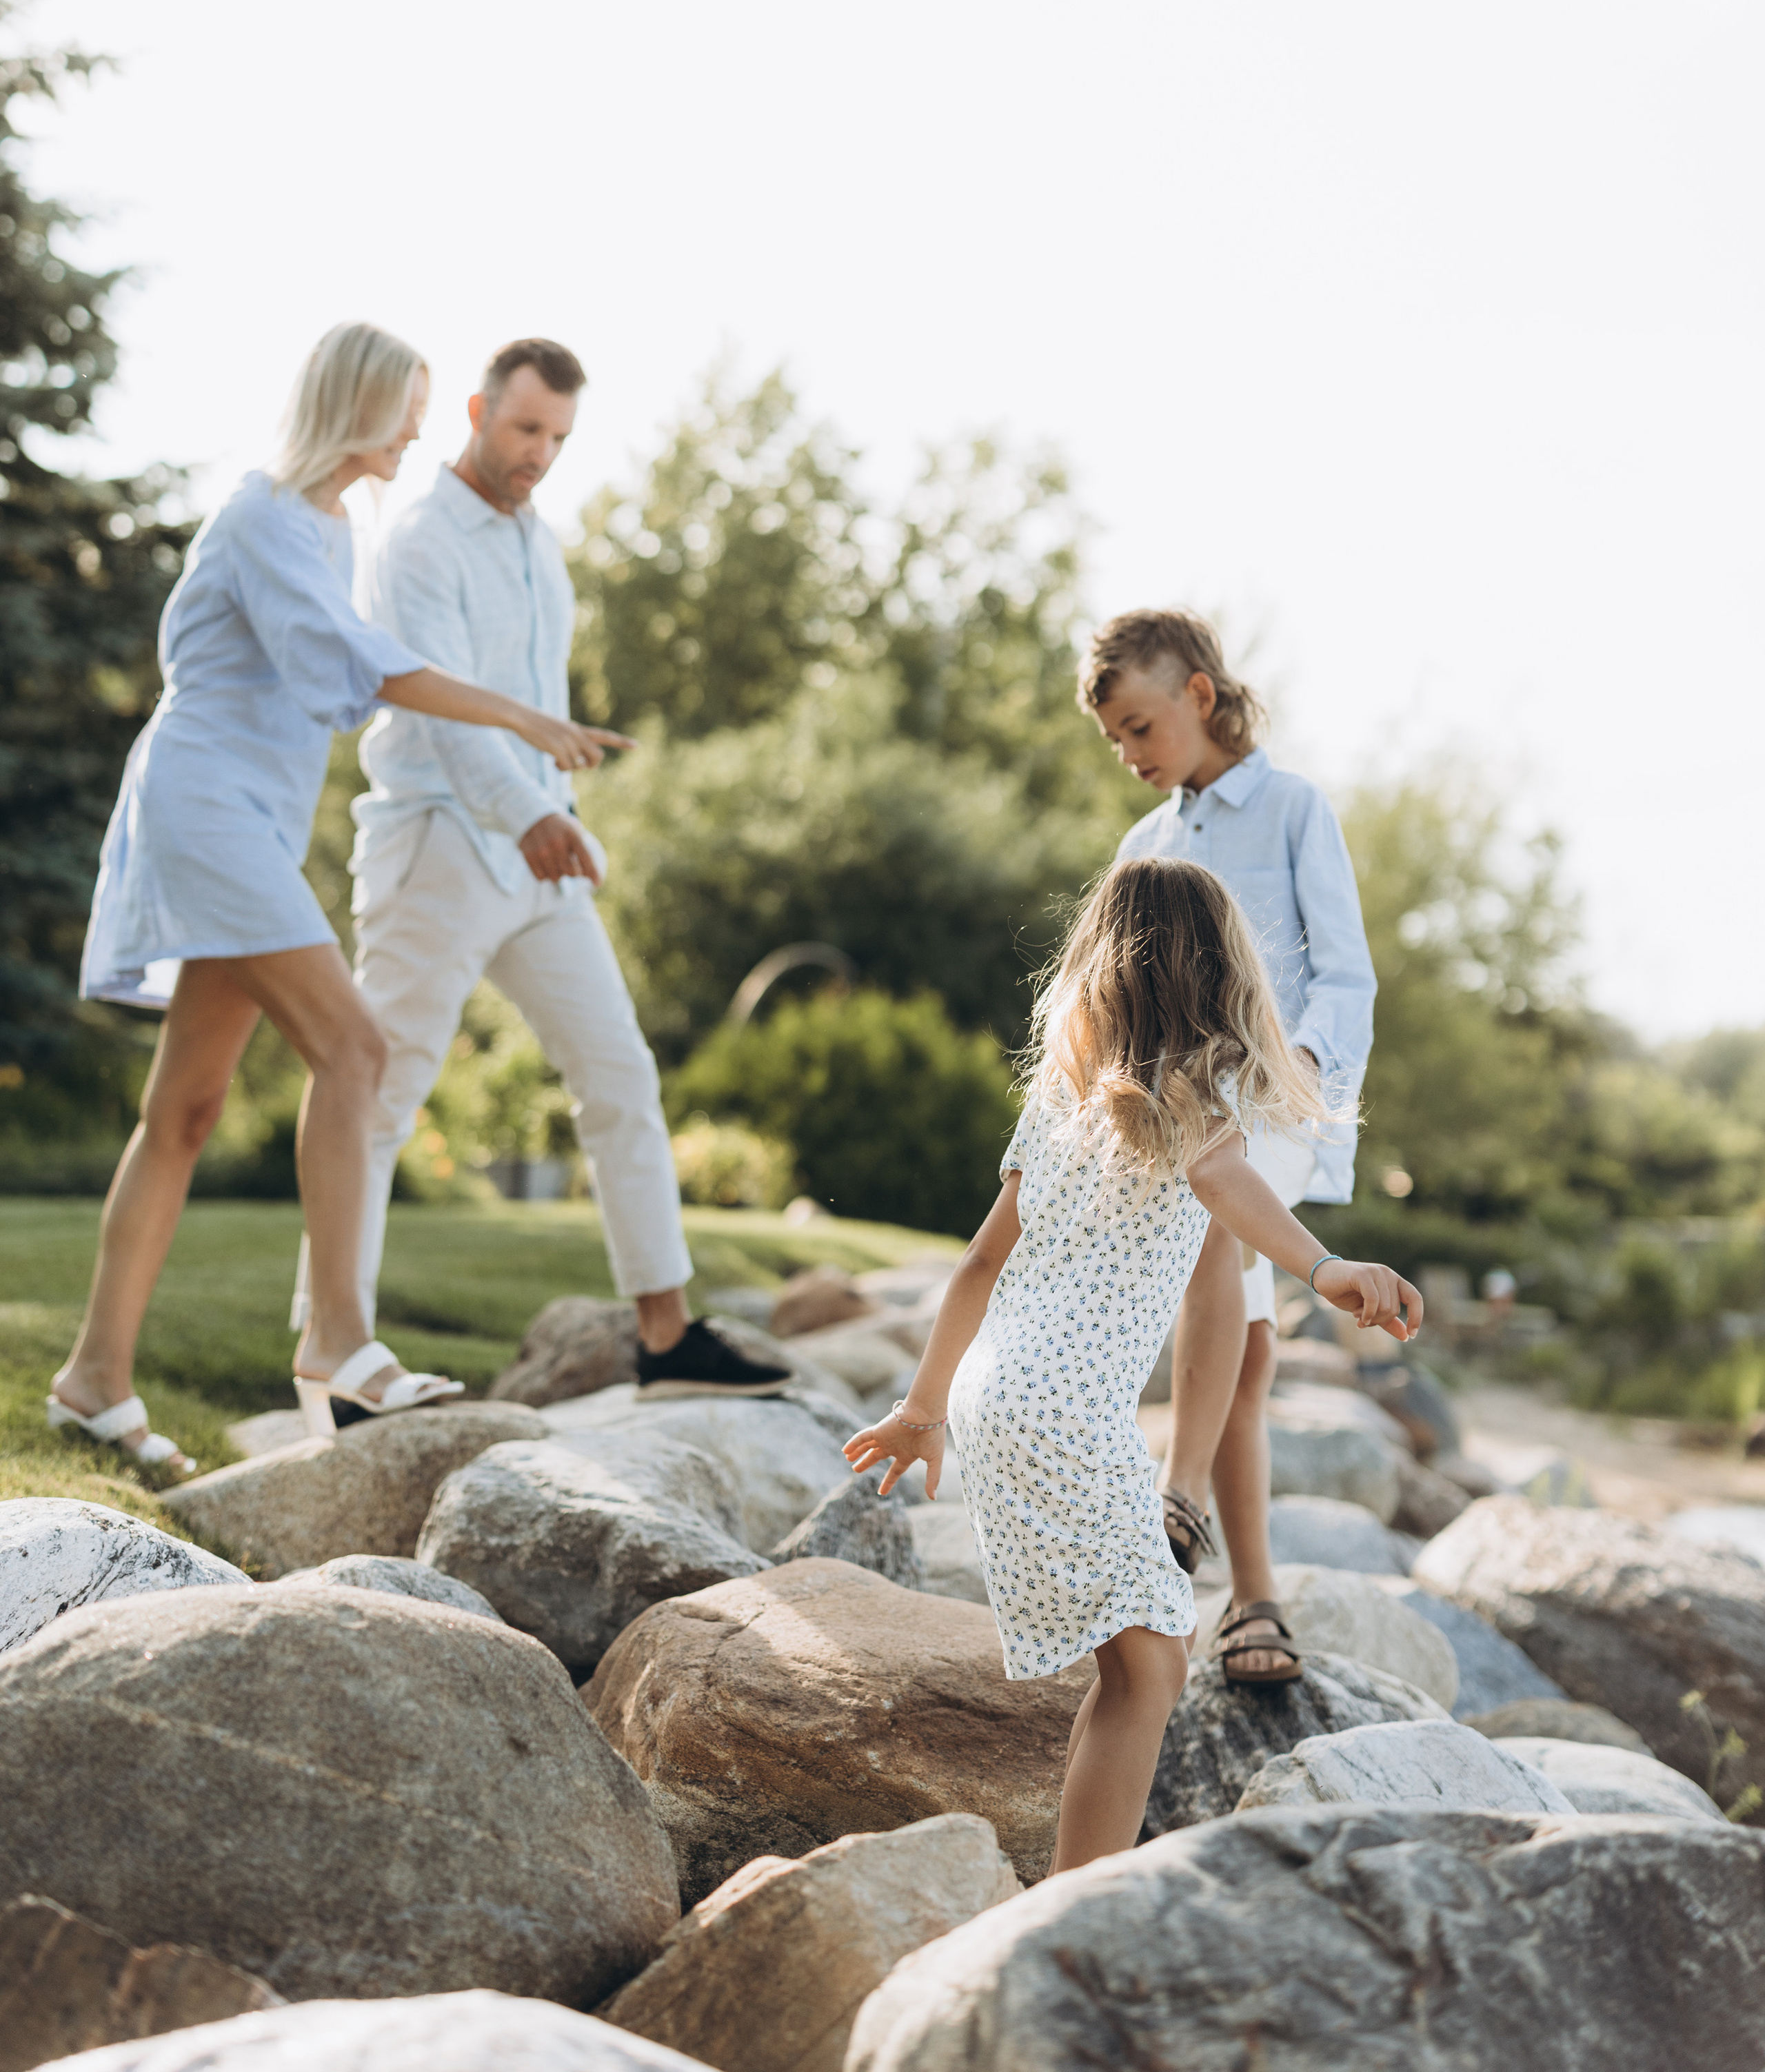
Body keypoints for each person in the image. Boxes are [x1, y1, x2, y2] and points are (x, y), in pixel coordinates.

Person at [57, 323, 621, 1474]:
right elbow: (363, 661)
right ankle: (341, 1345)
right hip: (205, 807)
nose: (420, 428)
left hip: (249, 815)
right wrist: (522, 717)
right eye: (407, 407)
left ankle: (93, 1382)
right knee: (355, 1050)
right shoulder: (266, 516)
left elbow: (350, 661)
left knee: (188, 1111)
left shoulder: (326, 525)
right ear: (356, 406)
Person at [843, 858, 1418, 1870]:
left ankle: (1073, 1881)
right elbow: (1226, 1180)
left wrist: (924, 1409)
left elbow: (981, 1263)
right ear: (1219, 968)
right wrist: (1324, 1264)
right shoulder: (1196, 1084)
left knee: (1134, 1663)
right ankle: (1077, 1903)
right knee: (1151, 1669)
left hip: (996, 1392)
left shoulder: (1067, 1095)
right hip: (1062, 1408)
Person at [313, 336, 786, 1399]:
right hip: (439, 845)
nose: (540, 455)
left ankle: (666, 1333)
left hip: (539, 856)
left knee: (619, 1074)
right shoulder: (421, 539)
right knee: (377, 1098)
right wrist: (528, 809)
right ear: (477, 410)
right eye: (526, 429)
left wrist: (552, 813)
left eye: (559, 438)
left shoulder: (541, 543)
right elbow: (438, 707)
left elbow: (531, 705)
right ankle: (334, 1361)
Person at [1080, 608, 1377, 1685]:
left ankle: (1180, 1496)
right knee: (1246, 1355)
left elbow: (1346, 973)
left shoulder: (1295, 808)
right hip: (1179, 1119)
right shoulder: (1142, 849)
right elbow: (1113, 1002)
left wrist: (1296, 1068)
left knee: (1221, 1220)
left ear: (1199, 694)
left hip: (1280, 1100)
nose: (1131, 753)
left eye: (1141, 724)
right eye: (1115, 738)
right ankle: (1254, 1601)